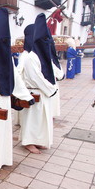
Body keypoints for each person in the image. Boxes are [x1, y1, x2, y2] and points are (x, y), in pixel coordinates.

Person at [0, 8, 35, 177]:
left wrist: (26, 96)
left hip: (5, 100)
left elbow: (16, 78)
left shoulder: (7, 57)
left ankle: (0, 160)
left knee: (3, 134)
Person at [18, 14, 58, 154]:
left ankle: (38, 140)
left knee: (41, 120)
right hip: (35, 91)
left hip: (43, 92)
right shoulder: (29, 57)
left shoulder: (38, 55)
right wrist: (50, 89)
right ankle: (29, 141)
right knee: (32, 120)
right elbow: (36, 78)